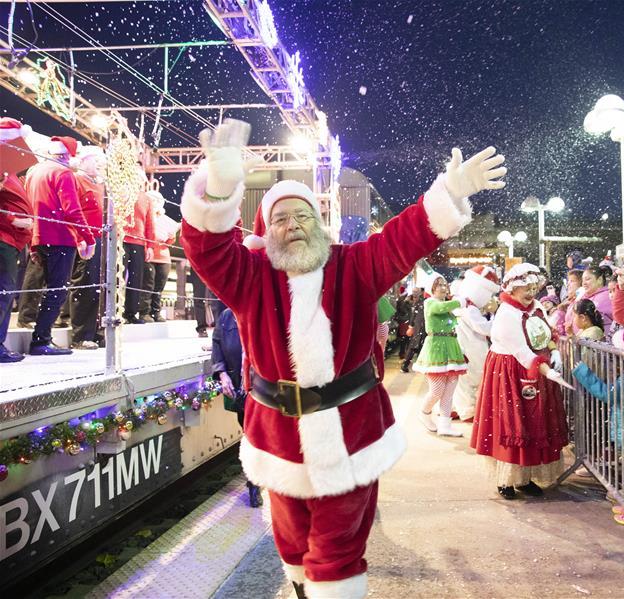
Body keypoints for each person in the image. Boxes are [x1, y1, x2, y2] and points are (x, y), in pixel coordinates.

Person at [179, 119, 505, 598]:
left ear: (319, 221)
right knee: (291, 545)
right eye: (281, 219)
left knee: (336, 551)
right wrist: (219, 191)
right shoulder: (249, 275)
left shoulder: (354, 264)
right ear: (267, 231)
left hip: (351, 433)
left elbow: (404, 239)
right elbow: (205, 248)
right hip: (279, 436)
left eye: (302, 216)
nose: (293, 226)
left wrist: (447, 193)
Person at [471, 263, 570, 500]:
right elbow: (521, 351)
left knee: (534, 422)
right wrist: (547, 369)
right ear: (513, 288)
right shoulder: (507, 314)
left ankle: (524, 478)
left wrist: (554, 350)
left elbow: (548, 332)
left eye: (534, 287)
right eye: (526, 287)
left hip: (537, 368)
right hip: (511, 371)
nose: (531, 292)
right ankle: (506, 480)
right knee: (512, 422)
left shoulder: (536, 307)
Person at [24, 136, 95, 355]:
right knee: (56, 290)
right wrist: (88, 238)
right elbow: (71, 210)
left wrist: (32, 241)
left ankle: (39, 334)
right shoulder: (63, 173)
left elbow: (28, 206)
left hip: (40, 235)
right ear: (67, 155)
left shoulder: (34, 172)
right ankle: (41, 340)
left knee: (46, 287)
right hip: (60, 237)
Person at [212, 307, 262, 507]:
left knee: (258, 435)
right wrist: (222, 374)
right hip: (240, 388)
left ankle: (256, 482)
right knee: (249, 434)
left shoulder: (263, 310)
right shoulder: (226, 316)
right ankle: (254, 481)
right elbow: (217, 345)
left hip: (263, 388)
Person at [413, 275, 468, 436]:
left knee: (449, 391)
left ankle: (445, 425)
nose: (443, 287)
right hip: (436, 347)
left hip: (452, 346)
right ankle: (424, 412)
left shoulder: (446, 305)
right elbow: (438, 309)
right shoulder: (430, 302)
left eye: (445, 284)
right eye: (439, 285)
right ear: (432, 288)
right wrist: (461, 302)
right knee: (437, 390)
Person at [0, 119, 34, 362]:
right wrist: (13, 220)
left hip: (13, 240)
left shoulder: (9, 171)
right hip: (4, 237)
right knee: (3, 292)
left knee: (6, 292)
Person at [451, 265, 500, 422]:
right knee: (471, 380)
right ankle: (468, 411)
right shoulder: (469, 308)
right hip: (471, 347)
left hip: (462, 345)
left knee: (459, 381)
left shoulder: (459, 302)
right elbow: (484, 328)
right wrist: (494, 315)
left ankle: (453, 408)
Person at [69, 146, 105, 349]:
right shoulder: (76, 179)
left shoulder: (99, 184)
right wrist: (81, 237)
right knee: (85, 283)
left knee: (99, 287)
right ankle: (81, 334)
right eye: (96, 159)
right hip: (85, 238)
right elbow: (72, 210)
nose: (100, 163)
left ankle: (95, 330)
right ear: (83, 161)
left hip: (101, 238)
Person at [140, 190, 179, 323]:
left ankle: (156, 312)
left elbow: (170, 241)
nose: (155, 203)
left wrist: (171, 236)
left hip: (163, 256)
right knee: (147, 285)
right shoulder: (145, 216)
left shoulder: (165, 219)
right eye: (153, 200)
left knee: (159, 287)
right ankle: (144, 312)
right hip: (149, 255)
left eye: (157, 200)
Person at [121, 186, 156, 324]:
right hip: (121, 238)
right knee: (118, 276)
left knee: (136, 279)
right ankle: (115, 310)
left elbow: (150, 223)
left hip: (139, 242)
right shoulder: (119, 190)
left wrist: (151, 246)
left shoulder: (146, 198)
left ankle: (130, 313)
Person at [563, 264, 613, 337]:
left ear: (599, 280)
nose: (584, 283)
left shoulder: (608, 296)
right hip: (580, 341)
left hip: (599, 343)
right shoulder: (582, 297)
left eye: (588, 279)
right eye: (583, 280)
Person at [401, 287, 426, 372]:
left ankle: (408, 365)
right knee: (415, 345)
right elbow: (413, 315)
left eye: (416, 292)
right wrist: (411, 326)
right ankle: (406, 365)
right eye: (413, 291)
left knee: (417, 345)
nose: (414, 293)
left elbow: (414, 315)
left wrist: (411, 326)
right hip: (420, 326)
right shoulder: (419, 301)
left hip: (421, 326)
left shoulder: (421, 301)